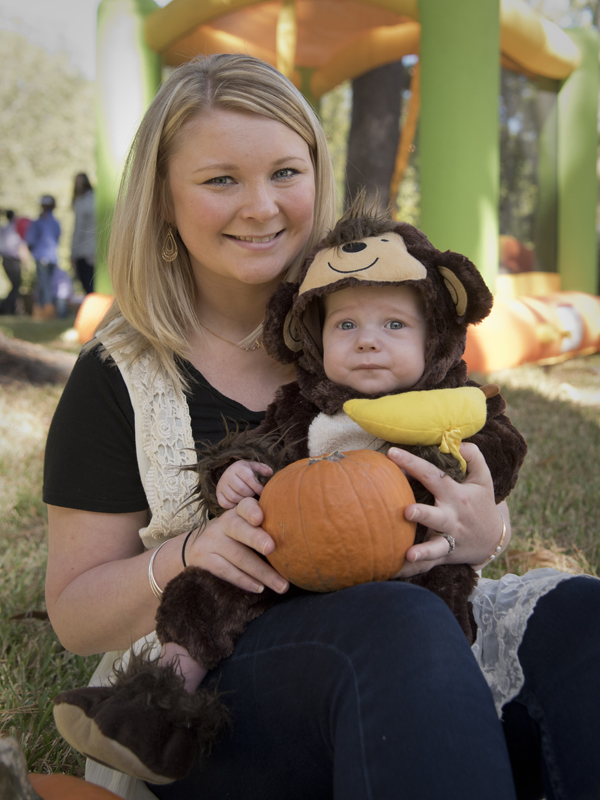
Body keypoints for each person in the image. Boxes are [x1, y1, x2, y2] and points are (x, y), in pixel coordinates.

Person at [43, 54, 600, 800]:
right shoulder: (119, 376)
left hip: (426, 620)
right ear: (164, 202)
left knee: (583, 617)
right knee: (396, 628)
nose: (262, 207)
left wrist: (479, 530)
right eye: (220, 180)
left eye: (284, 172)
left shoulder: (374, 315)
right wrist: (193, 550)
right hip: (227, 661)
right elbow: (76, 616)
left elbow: (475, 475)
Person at [52, 202, 528, 784]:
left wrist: (486, 526)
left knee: (574, 610)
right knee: (216, 591)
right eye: (346, 326)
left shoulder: (451, 401)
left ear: (435, 338)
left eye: (394, 326)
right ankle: (158, 706)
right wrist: (229, 480)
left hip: (414, 574)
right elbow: (263, 448)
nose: (368, 342)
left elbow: (494, 465)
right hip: (287, 586)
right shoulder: (306, 408)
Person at [26, 195, 61, 318]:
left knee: (44, 285)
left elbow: (30, 240)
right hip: (52, 257)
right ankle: (40, 312)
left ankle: (48, 312)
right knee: (45, 285)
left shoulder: (38, 222)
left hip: (41, 257)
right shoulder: (56, 222)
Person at [71, 173, 96, 295]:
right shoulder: (97, 199)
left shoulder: (81, 203)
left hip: (85, 251)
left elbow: (78, 229)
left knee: (88, 283)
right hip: (99, 250)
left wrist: (73, 253)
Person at [0, 210, 24, 315]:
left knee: (15, 285)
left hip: (5, 259)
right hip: (12, 260)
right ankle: (7, 307)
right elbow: (19, 245)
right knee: (16, 285)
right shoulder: (14, 229)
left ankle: (8, 307)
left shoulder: (4, 229)